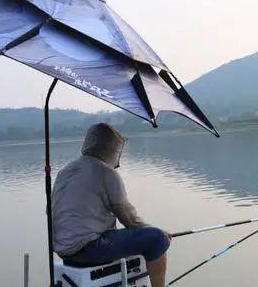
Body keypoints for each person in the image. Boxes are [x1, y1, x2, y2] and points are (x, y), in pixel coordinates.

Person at [52, 123, 171, 287]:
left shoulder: (65, 172)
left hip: (64, 251)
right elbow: (130, 219)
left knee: (138, 237)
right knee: (157, 239)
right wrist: (160, 233)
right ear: (112, 149)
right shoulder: (105, 172)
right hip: (89, 249)